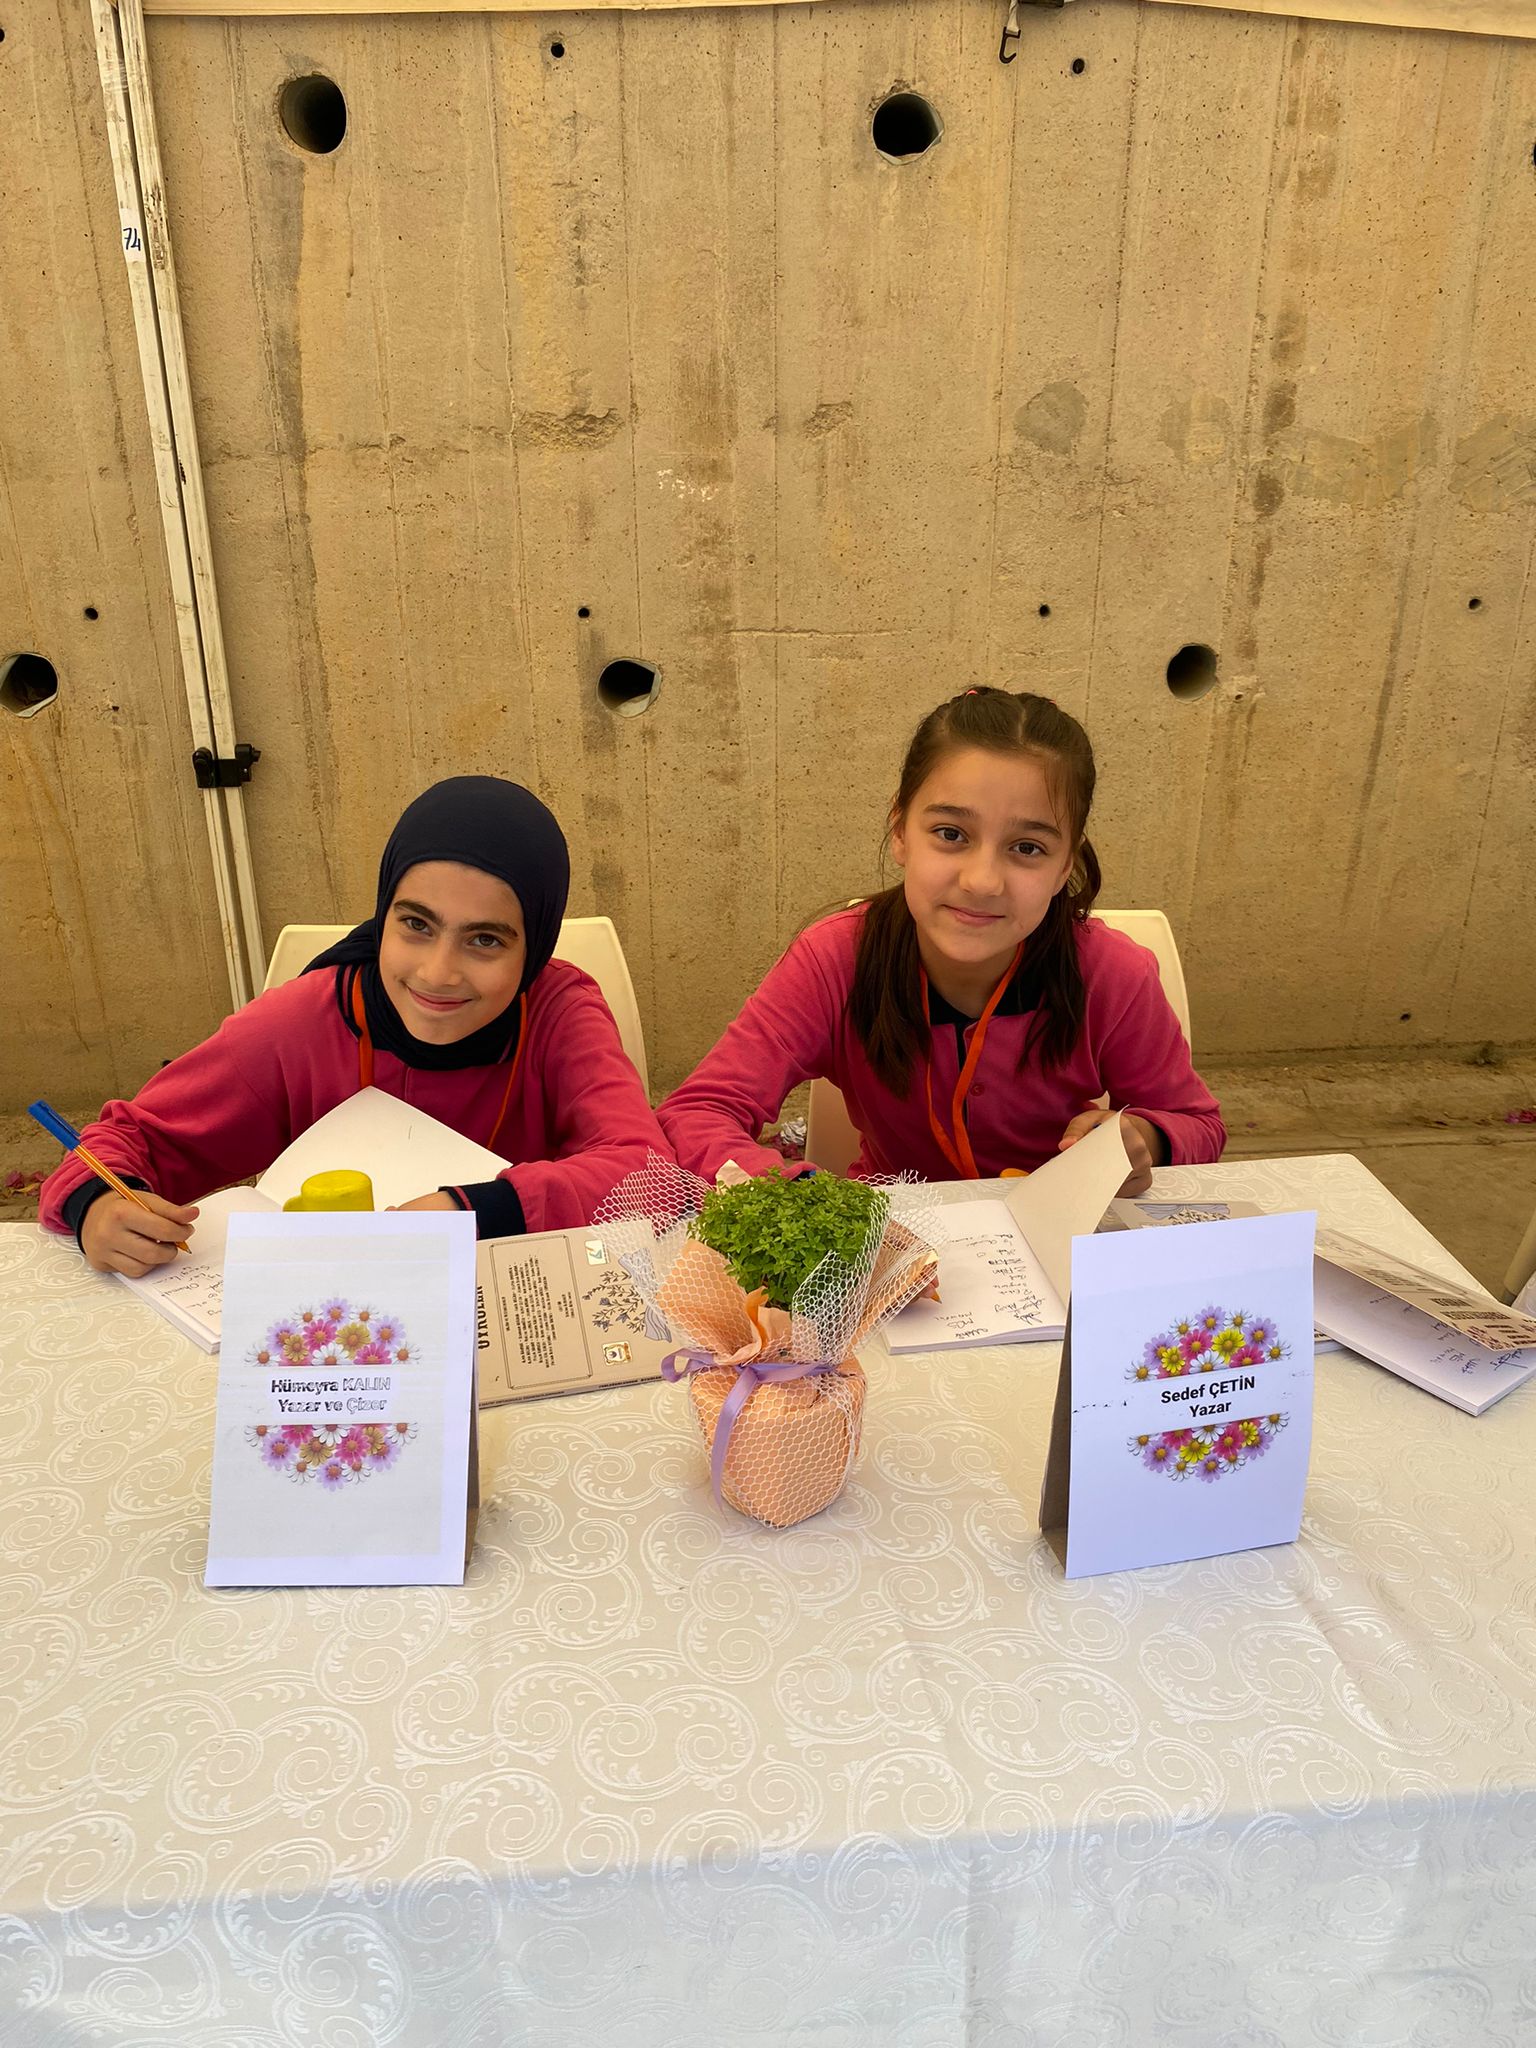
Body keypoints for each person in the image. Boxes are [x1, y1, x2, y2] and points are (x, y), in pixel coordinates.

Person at [40, 776, 670, 1274]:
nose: (438, 973)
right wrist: (98, 1204)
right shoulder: (303, 1023)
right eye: (415, 925)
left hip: (516, 1314)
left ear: (533, 948)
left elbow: (651, 1174)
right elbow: (126, 1141)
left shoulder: (559, 1009)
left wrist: (471, 1209)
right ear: (382, 914)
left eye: (484, 940)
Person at [659, 687, 1224, 1192]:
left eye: (1027, 848)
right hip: (885, 1246)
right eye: (951, 834)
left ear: (1063, 869)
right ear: (901, 832)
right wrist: (810, 1200)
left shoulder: (1111, 973)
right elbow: (697, 1113)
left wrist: (1146, 1137)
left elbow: (1198, 1125)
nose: (981, 880)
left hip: (1058, 1240)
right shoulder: (834, 961)